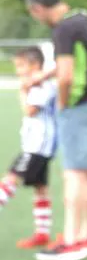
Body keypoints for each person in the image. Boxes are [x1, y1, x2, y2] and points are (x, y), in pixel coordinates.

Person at [23, 0, 87, 260]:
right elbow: (84, 62)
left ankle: (72, 240)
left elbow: (67, 76)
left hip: (80, 106)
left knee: (73, 173)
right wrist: (44, 76)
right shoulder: (84, 19)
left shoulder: (62, 30)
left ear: (38, 8)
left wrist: (62, 105)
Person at [0, 46, 56, 249]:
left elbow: (30, 110)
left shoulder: (43, 86)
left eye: (21, 66)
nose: (18, 71)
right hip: (40, 147)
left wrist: (23, 91)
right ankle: (42, 233)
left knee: (9, 180)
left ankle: (42, 232)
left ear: (35, 65)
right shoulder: (40, 85)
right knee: (40, 188)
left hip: (36, 147)